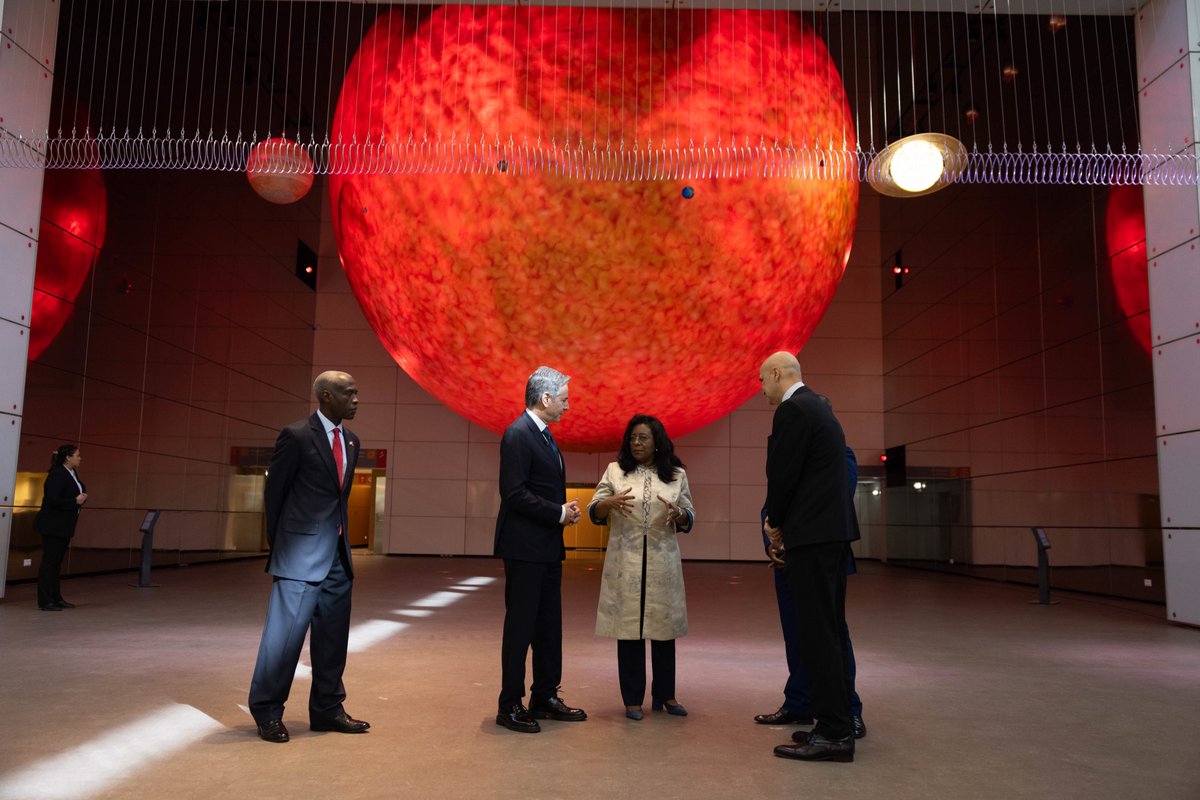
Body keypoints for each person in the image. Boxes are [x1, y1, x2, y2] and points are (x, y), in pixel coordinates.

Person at [248, 371, 369, 744]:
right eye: (349, 394)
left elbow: (337, 499)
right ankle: (267, 712)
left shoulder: (351, 440)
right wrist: (282, 546)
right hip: (298, 555)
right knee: (283, 642)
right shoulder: (296, 436)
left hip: (337, 556)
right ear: (326, 396)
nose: (356, 400)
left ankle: (328, 709)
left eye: (357, 393)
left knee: (332, 639)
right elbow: (276, 495)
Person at [758, 352, 861, 763]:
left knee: (817, 635)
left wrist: (775, 523)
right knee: (829, 633)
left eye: (763, 380)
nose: (761, 388)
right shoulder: (819, 409)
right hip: (832, 538)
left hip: (812, 540)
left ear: (779, 374)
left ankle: (834, 733)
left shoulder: (793, 410)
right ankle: (832, 723)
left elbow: (783, 475)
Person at [494, 366, 588, 733]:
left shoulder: (544, 436)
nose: (568, 406)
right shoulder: (518, 435)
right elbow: (513, 493)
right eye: (564, 399)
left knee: (549, 626)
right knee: (520, 628)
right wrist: (558, 513)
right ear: (545, 399)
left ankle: (545, 695)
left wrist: (560, 514)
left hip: (546, 547)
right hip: (524, 547)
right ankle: (510, 704)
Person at [589, 415, 695, 721]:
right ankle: (632, 699)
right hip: (626, 560)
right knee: (629, 631)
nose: (636, 443)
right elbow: (594, 508)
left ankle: (666, 695)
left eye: (643, 438)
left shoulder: (676, 475)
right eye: (633, 438)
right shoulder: (615, 471)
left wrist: (681, 515)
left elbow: (690, 513)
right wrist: (606, 505)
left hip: (663, 560)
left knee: (664, 630)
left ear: (657, 442)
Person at [33, 444, 88, 611]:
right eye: (77, 455)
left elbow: (75, 491)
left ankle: (56, 597)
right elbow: (51, 500)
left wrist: (81, 496)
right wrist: (74, 501)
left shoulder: (71, 473)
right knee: (50, 563)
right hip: (53, 526)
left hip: (63, 525)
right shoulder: (57, 474)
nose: (80, 458)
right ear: (68, 458)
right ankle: (45, 600)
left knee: (56, 563)